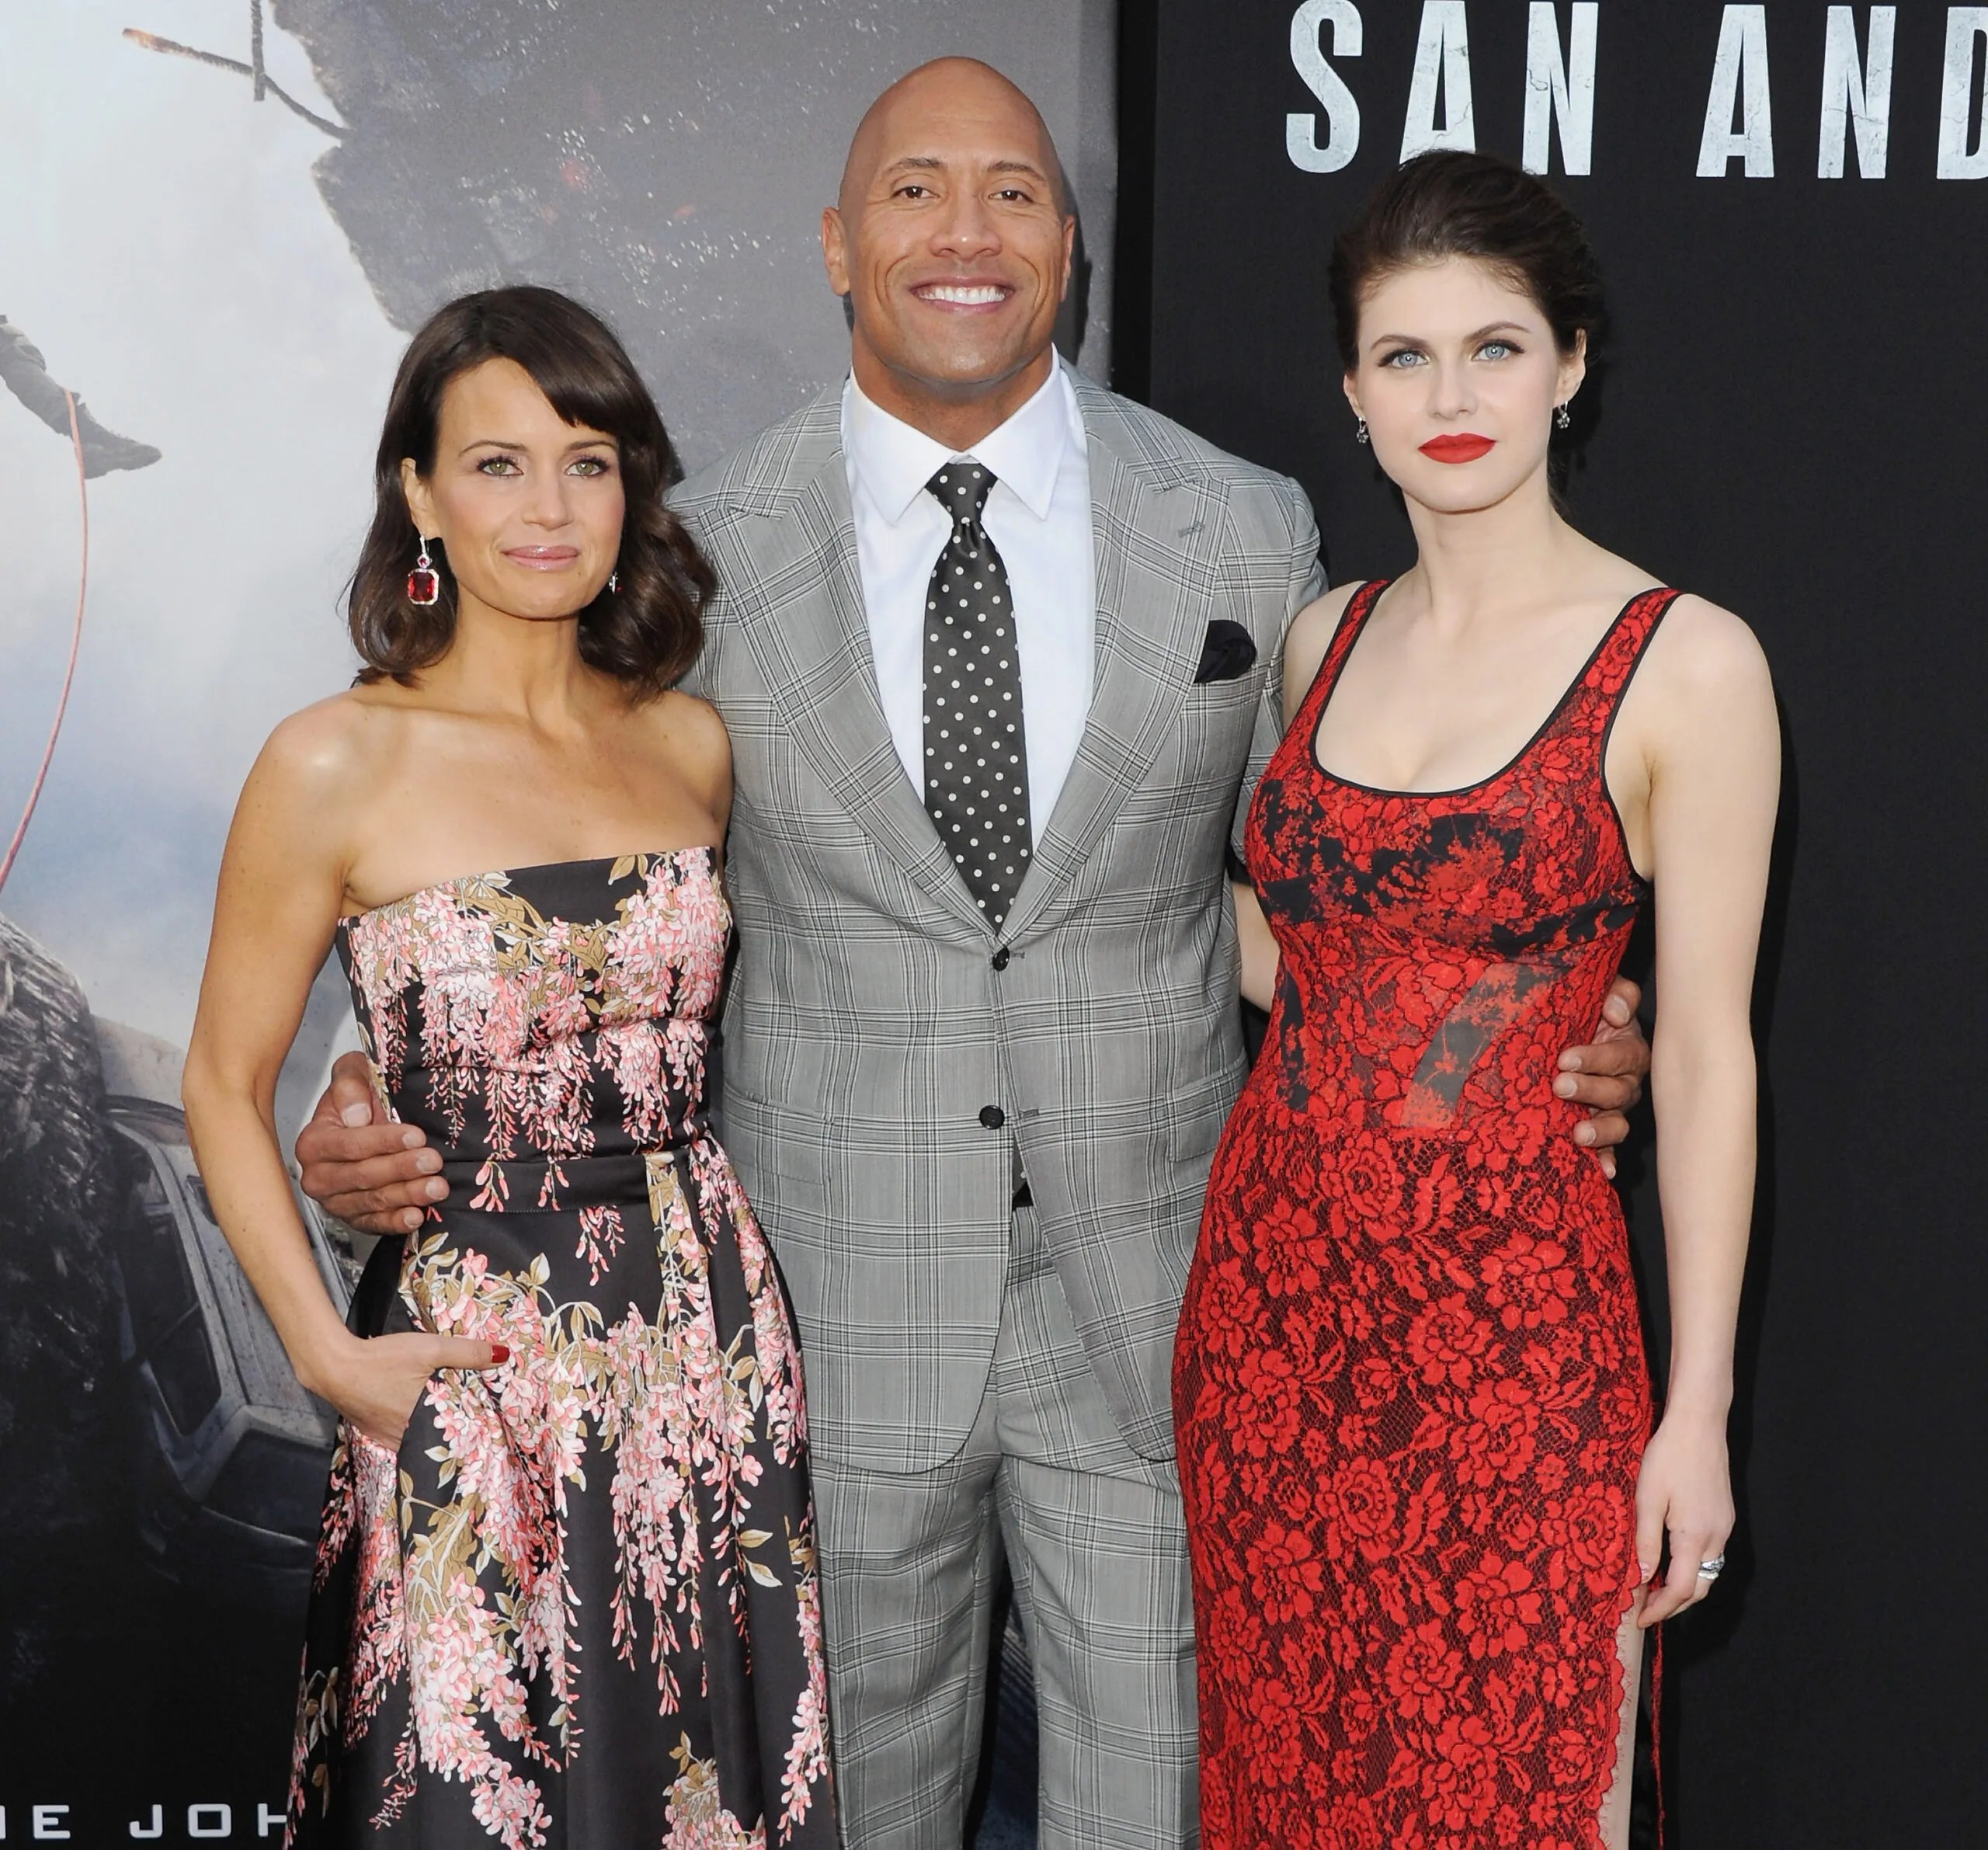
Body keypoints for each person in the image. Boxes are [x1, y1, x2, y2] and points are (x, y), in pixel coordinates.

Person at [293, 64, 1649, 1850]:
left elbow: (1335, 891)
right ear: (834, 244)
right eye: (913, 188)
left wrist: (1522, 1020)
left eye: (1011, 191)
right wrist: (368, 1089)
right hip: (818, 1327)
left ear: (1068, 247)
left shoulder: (1243, 527)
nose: (964, 230)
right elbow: (541, 861)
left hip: (1171, 1315)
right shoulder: (697, 558)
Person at [1174, 151, 1778, 1849]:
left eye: (1494, 349)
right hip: (1270, 1328)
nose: (1450, 399)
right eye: (1405, 357)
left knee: (1523, 1790)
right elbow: (1313, 965)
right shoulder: (1322, 640)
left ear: (1569, 363)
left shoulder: (1687, 663)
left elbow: (1707, 1059)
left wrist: (1697, 1414)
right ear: (1351, 392)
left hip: (1519, 1348)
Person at [181, 286, 832, 1848]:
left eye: (586, 463)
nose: (548, 508)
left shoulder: (687, 744)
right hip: (468, 1356)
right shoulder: (333, 757)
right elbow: (221, 1079)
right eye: (497, 464)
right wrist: (324, 1360)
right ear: (420, 494)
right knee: (460, 1790)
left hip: (701, 1344)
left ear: (630, 489)